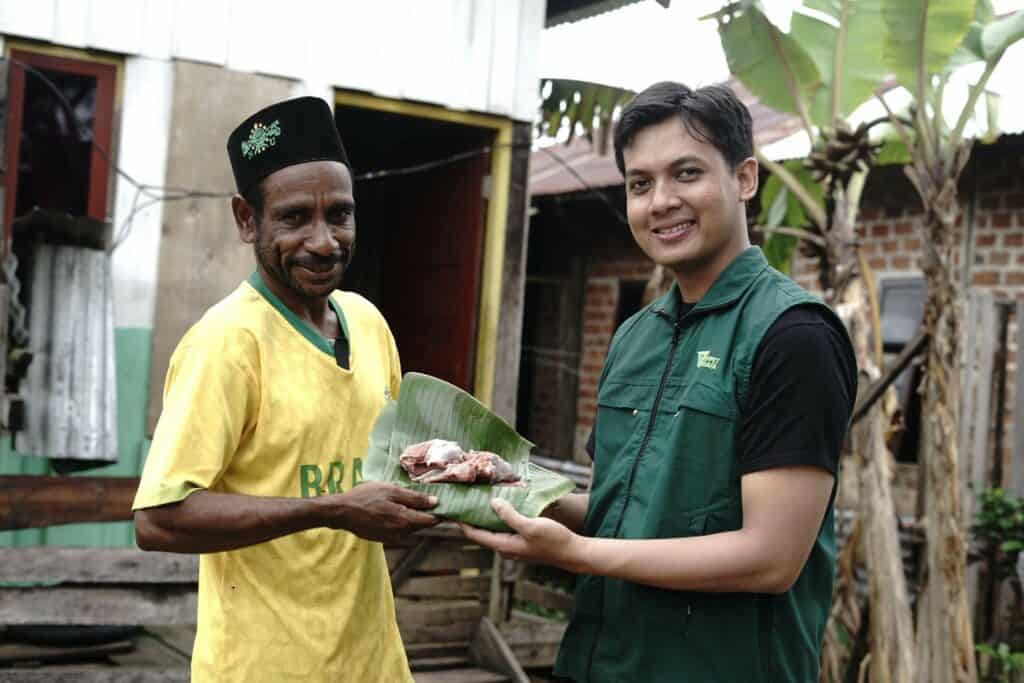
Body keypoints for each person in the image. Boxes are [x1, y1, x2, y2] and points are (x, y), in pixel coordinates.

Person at [462, 81, 857, 682]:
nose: (661, 201)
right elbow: (619, 512)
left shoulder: (793, 336)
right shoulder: (634, 338)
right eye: (640, 184)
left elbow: (771, 557)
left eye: (687, 173)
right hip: (598, 662)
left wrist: (580, 555)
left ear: (745, 178)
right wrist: (512, 493)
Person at [132, 96, 439, 683]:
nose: (324, 241)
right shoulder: (226, 344)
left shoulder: (369, 325)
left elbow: (387, 469)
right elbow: (159, 520)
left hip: (373, 665)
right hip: (261, 668)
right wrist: (331, 510)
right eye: (295, 218)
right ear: (248, 220)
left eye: (340, 215)